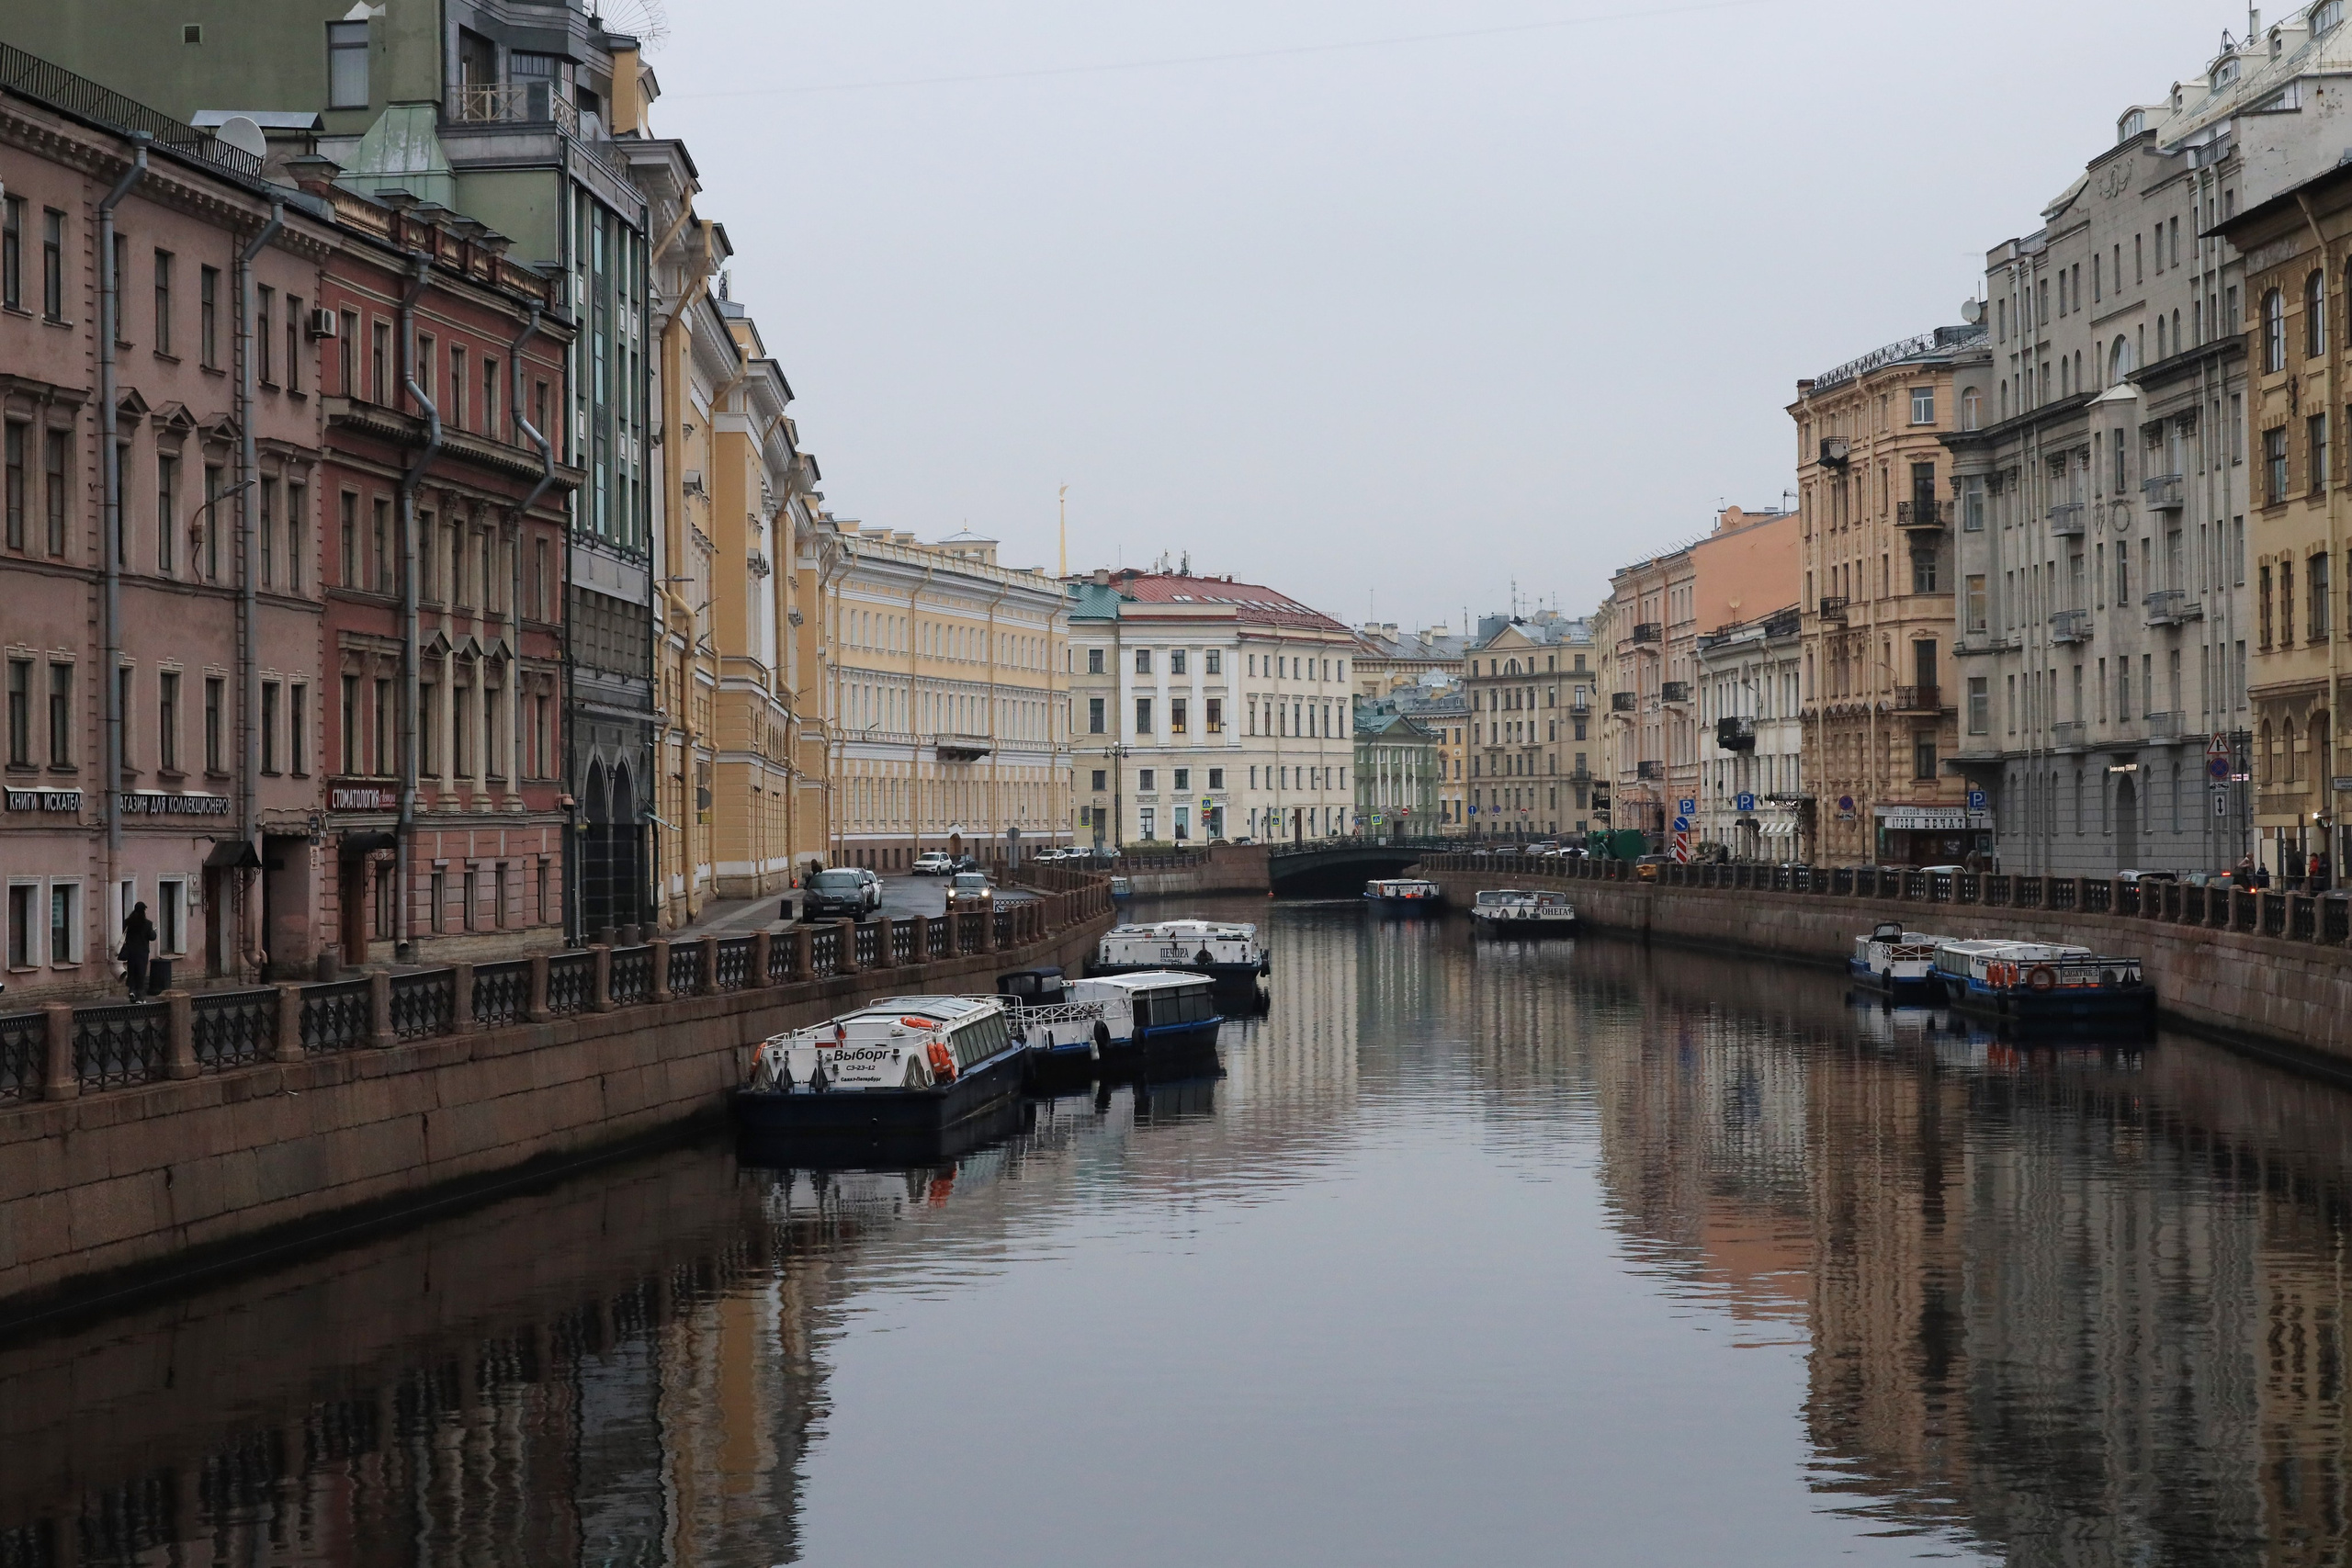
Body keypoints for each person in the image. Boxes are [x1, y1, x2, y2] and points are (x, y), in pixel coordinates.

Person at [118, 901, 155, 998]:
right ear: (143, 911)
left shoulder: (128, 922)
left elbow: (125, 934)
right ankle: (139, 995)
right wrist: (154, 932)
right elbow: (152, 937)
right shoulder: (147, 924)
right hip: (142, 953)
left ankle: (131, 991)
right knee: (141, 973)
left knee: (132, 971)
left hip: (131, 952)